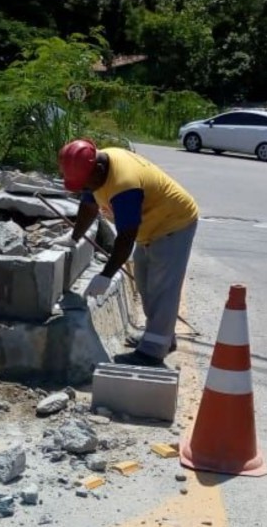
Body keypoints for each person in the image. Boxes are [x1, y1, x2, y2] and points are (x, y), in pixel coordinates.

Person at [58, 139, 199, 367]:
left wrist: (106, 274)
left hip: (173, 222)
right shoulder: (92, 169)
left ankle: (152, 353)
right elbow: (89, 206)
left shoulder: (124, 184)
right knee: (145, 283)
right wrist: (73, 238)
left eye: (85, 186)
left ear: (99, 169)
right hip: (151, 225)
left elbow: (126, 236)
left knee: (162, 287)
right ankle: (162, 337)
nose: (85, 190)